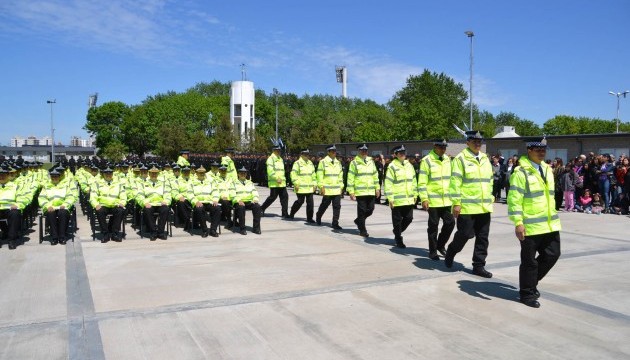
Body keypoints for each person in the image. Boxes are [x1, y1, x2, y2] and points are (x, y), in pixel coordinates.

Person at [508, 138, 562, 308]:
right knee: (529, 262)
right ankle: (527, 293)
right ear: (529, 150)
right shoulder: (521, 172)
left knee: (553, 254)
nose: (542, 152)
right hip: (530, 225)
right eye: (538, 149)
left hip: (549, 223)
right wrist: (518, 222)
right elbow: (514, 199)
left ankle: (530, 282)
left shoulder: (547, 169)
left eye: (544, 149)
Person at [445, 130, 494, 278]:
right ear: (467, 142)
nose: (478, 144)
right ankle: (452, 250)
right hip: (467, 207)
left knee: (483, 238)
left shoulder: (485, 159)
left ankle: (478, 266)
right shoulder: (460, 159)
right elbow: (455, 183)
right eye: (474, 141)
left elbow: (489, 180)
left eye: (480, 142)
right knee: (465, 234)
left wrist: (490, 196)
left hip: (484, 206)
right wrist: (456, 203)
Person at [417, 139, 455, 260]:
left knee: (450, 223)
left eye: (444, 147)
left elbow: (452, 179)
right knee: (433, 226)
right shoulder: (427, 160)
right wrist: (424, 198)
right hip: (433, 201)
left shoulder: (448, 160)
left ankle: (440, 245)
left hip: (446, 200)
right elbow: (422, 181)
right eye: (440, 147)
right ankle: (432, 251)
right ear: (435, 147)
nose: (443, 149)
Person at [383, 145, 417, 248]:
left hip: (408, 199)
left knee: (409, 218)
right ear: (396, 155)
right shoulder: (392, 166)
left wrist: (415, 194)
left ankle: (396, 231)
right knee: (397, 221)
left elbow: (414, 181)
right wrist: (390, 198)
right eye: (400, 153)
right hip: (397, 199)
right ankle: (398, 238)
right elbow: (388, 183)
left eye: (404, 153)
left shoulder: (409, 165)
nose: (402, 155)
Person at [346, 144, 380, 237]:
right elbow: (350, 177)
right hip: (360, 192)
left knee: (371, 209)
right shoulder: (354, 162)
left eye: (366, 150)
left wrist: (377, 188)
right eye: (362, 150)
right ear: (358, 151)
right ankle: (362, 230)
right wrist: (351, 191)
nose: (364, 152)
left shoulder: (371, 161)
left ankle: (358, 221)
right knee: (361, 211)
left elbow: (375, 175)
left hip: (370, 191)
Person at [38, 169, 76, 245]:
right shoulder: (46, 187)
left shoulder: (65, 186)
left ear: (59, 177)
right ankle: (54, 237)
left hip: (62, 207)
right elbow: (42, 198)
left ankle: (62, 237)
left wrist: (65, 205)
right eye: (52, 177)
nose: (54, 178)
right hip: (50, 207)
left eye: (56, 177)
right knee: (51, 214)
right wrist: (48, 206)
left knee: (63, 213)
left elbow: (70, 197)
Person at [90, 167, 127, 243]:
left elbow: (123, 195)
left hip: (115, 205)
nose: (108, 175)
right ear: (103, 174)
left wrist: (122, 203)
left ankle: (115, 234)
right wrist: (96, 205)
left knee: (120, 211)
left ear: (112, 174)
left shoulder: (118, 184)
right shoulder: (97, 183)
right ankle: (105, 234)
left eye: (110, 173)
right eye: (106, 173)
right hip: (103, 205)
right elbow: (93, 196)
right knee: (99, 211)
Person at [137, 166, 171, 240]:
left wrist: (166, 201)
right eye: (152, 173)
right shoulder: (143, 184)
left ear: (158, 174)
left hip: (160, 203)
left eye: (155, 173)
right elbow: (139, 196)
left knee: (165, 209)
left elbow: (168, 194)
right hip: (149, 204)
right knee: (147, 210)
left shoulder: (163, 183)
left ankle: (161, 232)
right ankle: (153, 232)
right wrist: (145, 203)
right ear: (149, 174)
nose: (154, 175)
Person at [316, 145, 344, 230]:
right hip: (327, 189)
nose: (334, 153)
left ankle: (335, 222)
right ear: (328, 152)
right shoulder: (323, 162)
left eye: (335, 151)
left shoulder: (338, 162)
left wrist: (341, 186)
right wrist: (321, 186)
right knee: (324, 205)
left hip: (336, 189)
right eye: (332, 151)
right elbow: (319, 175)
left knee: (337, 206)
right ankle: (318, 216)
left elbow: (340, 175)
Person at [187, 166, 221, 237]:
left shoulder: (210, 181)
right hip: (198, 203)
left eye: (203, 173)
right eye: (200, 173)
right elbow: (189, 194)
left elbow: (215, 191)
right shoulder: (192, 182)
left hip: (209, 202)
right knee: (199, 210)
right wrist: (196, 202)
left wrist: (215, 200)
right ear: (196, 173)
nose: (202, 174)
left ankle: (213, 230)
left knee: (217, 208)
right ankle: (205, 230)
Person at [289, 149, 317, 223]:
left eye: (308, 154)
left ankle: (309, 218)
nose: (307, 156)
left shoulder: (310, 163)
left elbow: (313, 175)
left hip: (309, 187)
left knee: (310, 203)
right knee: (300, 202)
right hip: (300, 187)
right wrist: (296, 184)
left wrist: (315, 184)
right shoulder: (297, 163)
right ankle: (292, 213)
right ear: (301, 154)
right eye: (305, 154)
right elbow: (293, 174)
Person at [0, 167, 25, 249]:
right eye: (0, 175)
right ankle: (5, 232)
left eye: (4, 175)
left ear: (8, 175)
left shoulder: (15, 186)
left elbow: (22, 198)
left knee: (15, 214)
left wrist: (17, 205)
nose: (2, 177)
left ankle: (12, 240)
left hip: (10, 209)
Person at [260, 145, 289, 217]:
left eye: (279, 150)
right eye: (277, 150)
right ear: (273, 150)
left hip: (282, 182)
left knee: (285, 197)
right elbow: (270, 171)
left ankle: (284, 213)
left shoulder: (280, 159)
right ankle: (262, 208)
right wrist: (276, 178)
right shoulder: (270, 159)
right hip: (274, 182)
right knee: (272, 197)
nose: (279, 151)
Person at [232, 166, 262, 235]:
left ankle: (256, 228)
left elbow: (254, 192)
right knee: (241, 208)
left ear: (246, 174)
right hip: (239, 202)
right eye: (241, 173)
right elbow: (232, 194)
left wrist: (255, 199)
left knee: (257, 207)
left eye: (244, 173)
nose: (243, 174)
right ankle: (242, 228)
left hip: (249, 201)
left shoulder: (250, 182)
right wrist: (238, 200)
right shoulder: (234, 183)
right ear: (238, 174)